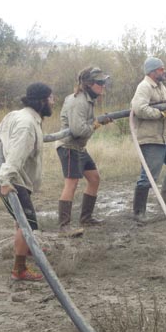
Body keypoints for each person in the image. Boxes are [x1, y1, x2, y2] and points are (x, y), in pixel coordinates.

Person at [0, 82, 55, 281]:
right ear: (42, 101)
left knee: (23, 222)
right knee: (27, 224)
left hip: (10, 174)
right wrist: (6, 179)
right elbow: (16, 156)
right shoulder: (27, 124)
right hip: (11, 177)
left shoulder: (16, 115)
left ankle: (27, 247)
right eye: (51, 98)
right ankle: (19, 270)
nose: (54, 102)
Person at [55, 66, 112, 237]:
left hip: (79, 147)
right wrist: (96, 124)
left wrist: (98, 121)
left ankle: (86, 218)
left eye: (104, 82)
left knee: (94, 179)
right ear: (88, 84)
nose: (103, 86)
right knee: (71, 184)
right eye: (99, 83)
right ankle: (64, 227)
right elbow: (78, 130)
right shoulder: (78, 101)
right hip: (69, 147)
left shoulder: (87, 99)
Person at [130, 57, 166, 224]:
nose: (164, 71)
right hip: (150, 139)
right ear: (153, 71)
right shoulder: (144, 87)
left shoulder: (162, 87)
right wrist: (161, 114)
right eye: (161, 69)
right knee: (148, 177)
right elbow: (139, 109)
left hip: (163, 138)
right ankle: (138, 212)